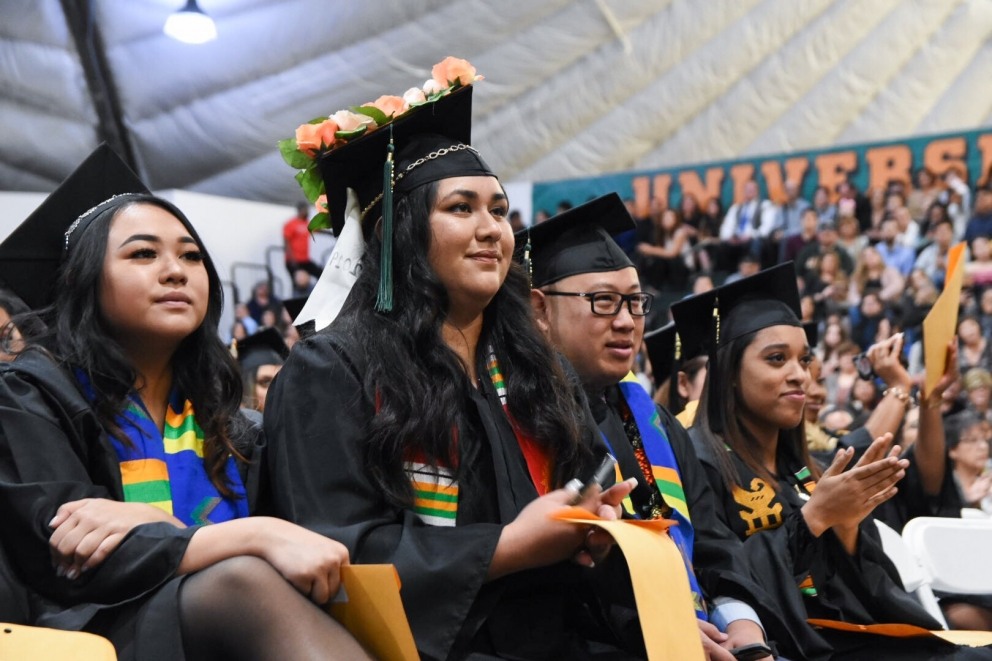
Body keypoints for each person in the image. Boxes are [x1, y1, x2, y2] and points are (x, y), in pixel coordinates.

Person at [265, 73, 643, 660]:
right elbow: (336, 551)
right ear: (402, 233)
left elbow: (588, 484)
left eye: (499, 209)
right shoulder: (334, 369)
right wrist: (509, 547)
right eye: (460, 208)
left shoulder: (537, 368)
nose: (492, 229)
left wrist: (598, 528)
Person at [0, 145, 368, 661]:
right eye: (143, 254)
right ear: (81, 280)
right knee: (244, 578)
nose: (176, 271)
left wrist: (159, 528)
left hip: (235, 621)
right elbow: (69, 554)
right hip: (90, 632)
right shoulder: (29, 395)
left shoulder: (233, 426)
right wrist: (250, 535)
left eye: (191, 255)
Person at [670, 263, 990, 659]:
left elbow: (853, 583)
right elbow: (720, 579)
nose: (800, 375)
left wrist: (847, 526)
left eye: (804, 361)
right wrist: (814, 519)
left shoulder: (804, 470)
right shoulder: (698, 462)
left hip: (847, 636)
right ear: (730, 373)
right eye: (776, 359)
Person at [521, 195, 786, 660]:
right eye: (603, 302)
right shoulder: (529, 419)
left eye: (636, 303)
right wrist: (665, 628)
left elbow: (712, 539)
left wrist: (745, 631)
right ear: (540, 310)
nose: (626, 322)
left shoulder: (656, 423)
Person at [233, 327, 289, 418]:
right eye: (266, 382)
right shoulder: (222, 430)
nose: (278, 389)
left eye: (282, 381)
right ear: (245, 390)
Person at [284, 201, 323, 294]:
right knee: (298, 282)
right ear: (300, 210)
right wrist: (292, 260)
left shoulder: (307, 223)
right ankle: (295, 302)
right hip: (293, 261)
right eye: (305, 210)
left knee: (320, 273)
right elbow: (286, 243)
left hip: (304, 260)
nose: (307, 212)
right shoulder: (291, 224)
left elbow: (318, 230)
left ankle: (318, 295)